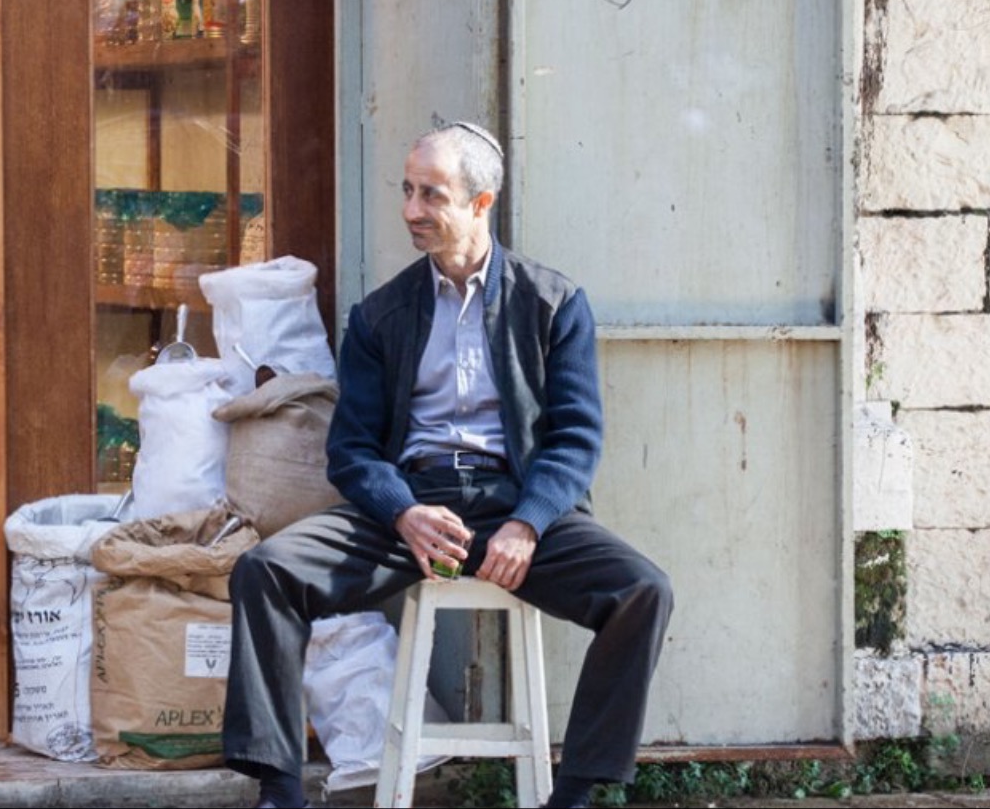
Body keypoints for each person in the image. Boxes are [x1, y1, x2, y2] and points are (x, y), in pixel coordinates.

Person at [222, 122, 674, 809]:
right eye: (406, 190)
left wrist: (528, 521)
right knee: (265, 571)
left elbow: (575, 438)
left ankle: (576, 793)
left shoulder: (552, 304)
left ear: (480, 202)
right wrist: (401, 511)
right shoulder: (379, 316)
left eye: (430, 194)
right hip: (409, 507)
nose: (410, 209)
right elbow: (350, 449)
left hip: (514, 507)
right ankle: (280, 790)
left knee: (642, 590)